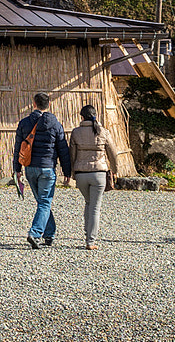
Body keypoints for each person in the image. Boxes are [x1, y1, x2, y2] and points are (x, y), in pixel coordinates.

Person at [12, 91, 72, 249]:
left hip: (30, 168)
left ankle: (49, 234)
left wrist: (17, 169)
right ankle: (35, 233)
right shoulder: (55, 124)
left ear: (34, 104)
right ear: (49, 104)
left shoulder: (24, 123)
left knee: (42, 202)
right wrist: (67, 172)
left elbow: (18, 147)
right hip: (47, 168)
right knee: (44, 202)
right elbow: (63, 150)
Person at [69, 104, 120, 250]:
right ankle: (90, 241)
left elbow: (72, 154)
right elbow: (113, 154)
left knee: (88, 202)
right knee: (95, 207)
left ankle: (87, 234)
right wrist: (115, 170)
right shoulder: (103, 132)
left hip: (81, 175)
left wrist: (73, 173)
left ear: (82, 117)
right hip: (99, 174)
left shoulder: (76, 132)